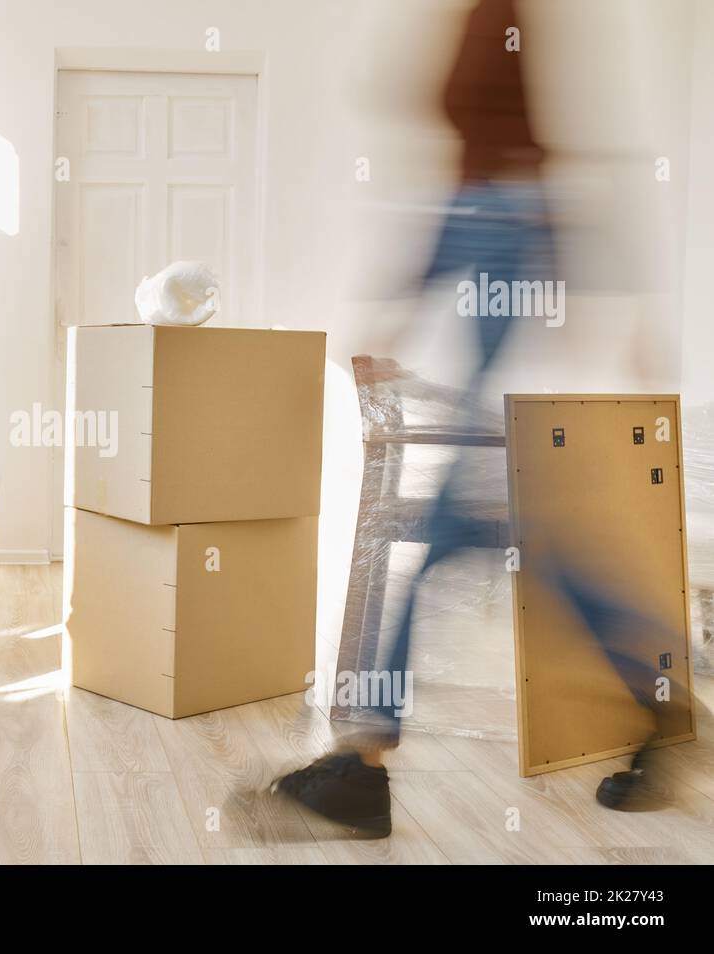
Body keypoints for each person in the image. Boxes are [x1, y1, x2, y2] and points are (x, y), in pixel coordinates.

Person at [272, 0, 674, 838]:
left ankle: (363, 770)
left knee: (430, 560)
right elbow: (478, 235)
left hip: (502, 436)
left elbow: (468, 236)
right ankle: (657, 703)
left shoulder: (498, 195)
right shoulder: (510, 190)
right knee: (553, 569)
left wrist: (389, 321)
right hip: (512, 434)